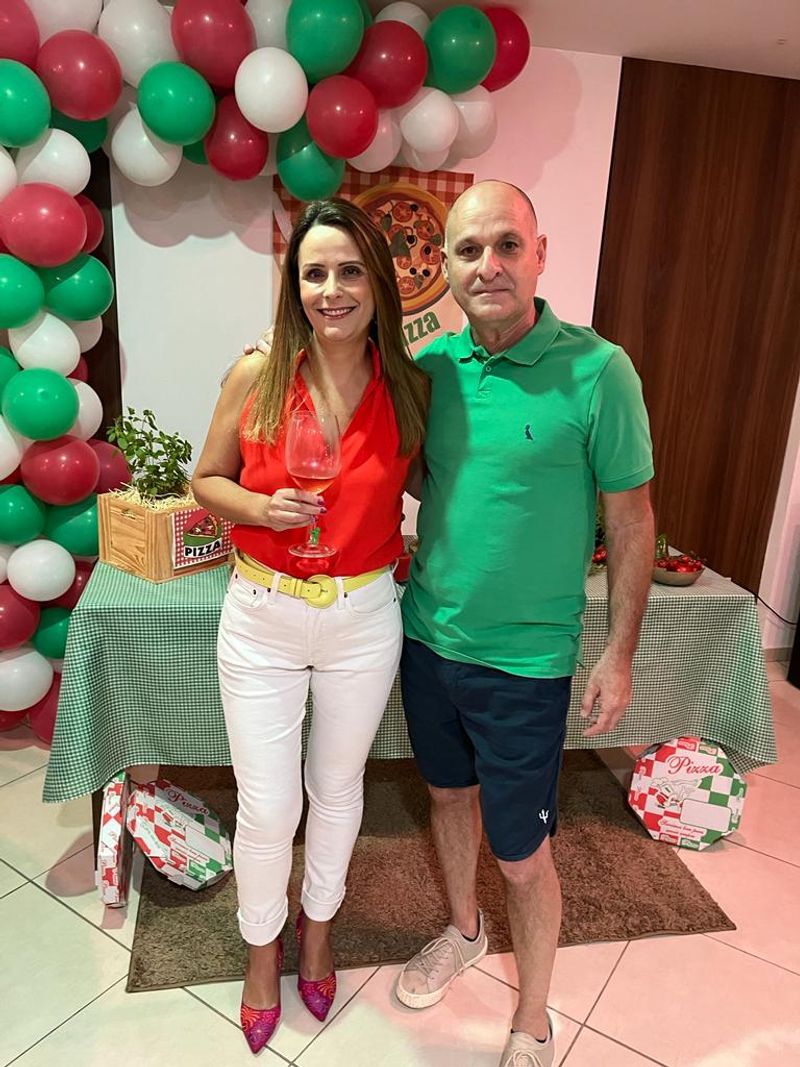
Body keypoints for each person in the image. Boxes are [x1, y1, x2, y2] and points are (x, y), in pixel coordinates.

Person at [395, 181, 655, 1067]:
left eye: (508, 244)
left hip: (527, 666)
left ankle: (534, 1018)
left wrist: (618, 653)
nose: (489, 265)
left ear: (540, 254)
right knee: (445, 796)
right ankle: (464, 931)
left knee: (521, 853)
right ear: (446, 268)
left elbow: (631, 519)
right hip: (428, 640)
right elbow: (425, 477)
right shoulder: (433, 369)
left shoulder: (600, 370)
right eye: (469, 250)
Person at [192, 198, 429, 1055]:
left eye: (350, 270)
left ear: (379, 283)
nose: (332, 289)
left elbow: (438, 484)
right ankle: (263, 951)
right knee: (267, 803)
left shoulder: (409, 385)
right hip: (262, 614)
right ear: (294, 286)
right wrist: (262, 508)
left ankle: (318, 929)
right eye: (314, 272)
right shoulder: (258, 373)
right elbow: (204, 480)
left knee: (337, 788)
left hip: (364, 617)